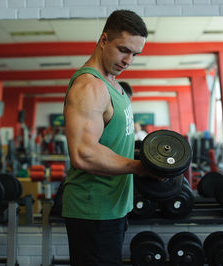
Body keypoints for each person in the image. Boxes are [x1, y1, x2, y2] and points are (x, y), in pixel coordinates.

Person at [62, 9, 154, 265]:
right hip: (93, 211)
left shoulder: (113, 84)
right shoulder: (90, 86)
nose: (129, 60)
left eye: (135, 54)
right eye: (123, 49)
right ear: (103, 40)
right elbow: (83, 153)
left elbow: (113, 144)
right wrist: (140, 167)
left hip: (113, 207)